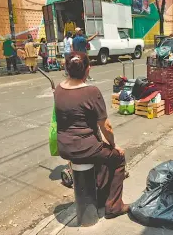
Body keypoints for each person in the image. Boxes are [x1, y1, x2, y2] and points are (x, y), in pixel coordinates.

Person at [54, 51, 129, 218]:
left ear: (67, 69)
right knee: (117, 158)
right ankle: (114, 206)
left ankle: (101, 197)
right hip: (85, 148)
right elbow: (106, 126)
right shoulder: (91, 91)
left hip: (64, 148)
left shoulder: (58, 89)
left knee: (102, 156)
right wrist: (114, 145)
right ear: (88, 70)